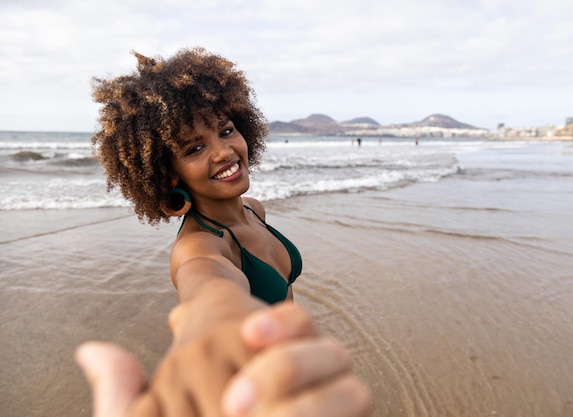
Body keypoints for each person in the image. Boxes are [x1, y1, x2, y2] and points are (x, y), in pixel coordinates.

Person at [79, 47, 371, 417]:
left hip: (291, 384)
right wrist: (211, 322)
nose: (223, 152)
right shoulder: (198, 247)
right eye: (195, 147)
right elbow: (207, 290)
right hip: (252, 399)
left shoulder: (254, 209)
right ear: (169, 173)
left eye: (226, 130)